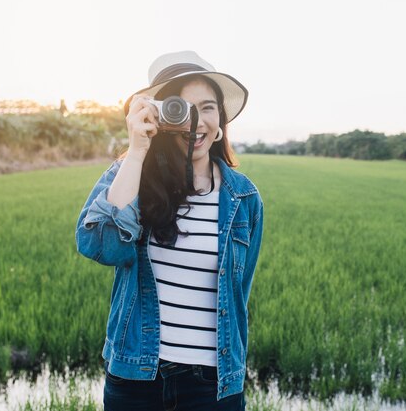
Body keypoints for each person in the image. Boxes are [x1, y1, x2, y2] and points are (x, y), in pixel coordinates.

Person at [75, 51, 264, 411]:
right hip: (137, 379)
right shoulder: (130, 177)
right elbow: (101, 246)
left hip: (213, 387)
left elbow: (239, 295)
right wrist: (136, 152)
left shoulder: (244, 199)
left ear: (221, 119)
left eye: (208, 108)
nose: (197, 120)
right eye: (181, 107)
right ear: (160, 115)